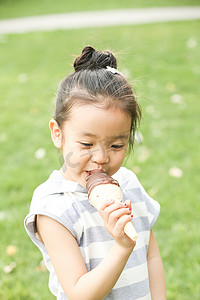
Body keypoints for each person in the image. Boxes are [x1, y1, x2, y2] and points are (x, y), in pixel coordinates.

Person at [25, 46, 166, 300]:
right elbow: (80, 293)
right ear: (58, 133)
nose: (101, 158)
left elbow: (151, 255)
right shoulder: (54, 207)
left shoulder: (129, 184)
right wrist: (122, 247)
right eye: (87, 144)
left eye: (117, 145)